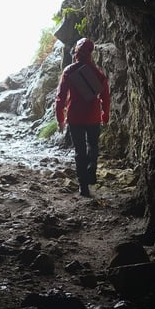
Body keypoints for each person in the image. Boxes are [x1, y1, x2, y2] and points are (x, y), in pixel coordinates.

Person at [55, 37, 110, 197]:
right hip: (93, 116)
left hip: (75, 117)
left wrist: (60, 118)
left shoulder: (69, 71)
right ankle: (91, 170)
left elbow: (60, 97)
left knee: (79, 151)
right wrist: (105, 115)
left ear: (76, 52)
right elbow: (105, 96)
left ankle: (83, 186)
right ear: (91, 52)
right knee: (93, 145)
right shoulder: (97, 73)